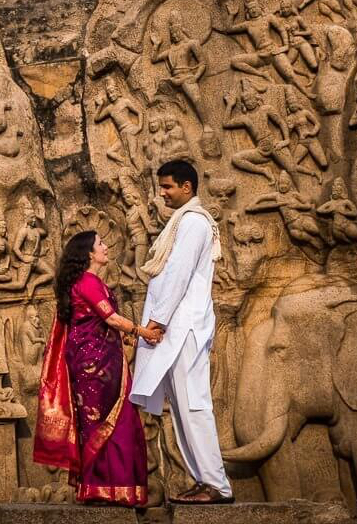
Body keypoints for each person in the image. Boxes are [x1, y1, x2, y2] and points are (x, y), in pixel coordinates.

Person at [130, 160, 234, 504]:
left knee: (194, 405)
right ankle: (205, 480)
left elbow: (178, 274)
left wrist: (157, 321)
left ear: (187, 187)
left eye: (167, 187)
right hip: (178, 326)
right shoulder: (181, 223)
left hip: (183, 326)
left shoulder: (192, 223)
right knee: (182, 406)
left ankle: (216, 485)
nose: (162, 193)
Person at [33, 230, 151, 508]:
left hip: (102, 362)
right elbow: (110, 319)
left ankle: (105, 489)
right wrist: (143, 331)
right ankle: (102, 488)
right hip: (94, 367)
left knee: (109, 422)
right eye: (101, 244)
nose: (106, 247)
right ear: (88, 254)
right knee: (108, 423)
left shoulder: (90, 282)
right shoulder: (88, 282)